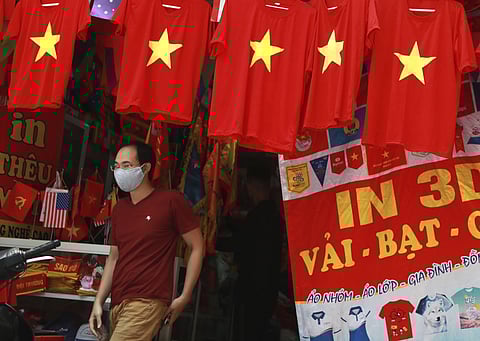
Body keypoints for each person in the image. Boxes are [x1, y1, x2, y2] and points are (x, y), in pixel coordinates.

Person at [89, 142, 204, 341]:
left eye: (126, 165)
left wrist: (184, 296)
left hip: (147, 301)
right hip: (118, 303)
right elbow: (113, 258)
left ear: (146, 168)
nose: (119, 171)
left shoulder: (171, 201)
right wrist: (98, 301)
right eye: (116, 166)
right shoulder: (120, 209)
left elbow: (197, 246)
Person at [235, 165, 283, 341]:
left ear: (250, 185)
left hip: (252, 290)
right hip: (268, 289)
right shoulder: (275, 216)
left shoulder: (255, 218)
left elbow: (242, 252)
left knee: (249, 333)